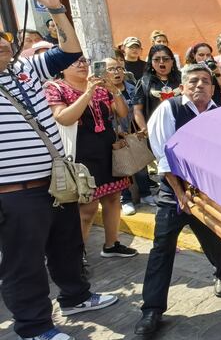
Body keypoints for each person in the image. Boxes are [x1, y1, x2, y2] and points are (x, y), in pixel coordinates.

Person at [0, 0, 118, 340]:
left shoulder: (24, 69)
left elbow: (69, 51)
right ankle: (32, 328)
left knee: (67, 246)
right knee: (25, 262)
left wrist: (55, 7)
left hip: (53, 182)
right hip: (14, 193)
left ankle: (76, 297)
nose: (2, 43)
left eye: (3, 38)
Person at [134, 64, 221, 336]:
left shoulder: (218, 113)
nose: (200, 85)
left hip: (205, 193)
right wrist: (180, 194)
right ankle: (152, 310)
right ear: (182, 86)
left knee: (215, 240)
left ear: (212, 88)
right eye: (193, 81)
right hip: (173, 192)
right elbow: (164, 155)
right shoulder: (169, 109)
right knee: (162, 247)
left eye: (205, 81)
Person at [45, 55, 137, 259]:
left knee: (113, 198)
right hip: (80, 155)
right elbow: (63, 118)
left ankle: (111, 244)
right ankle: (77, 255)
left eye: (84, 61)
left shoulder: (102, 87)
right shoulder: (56, 88)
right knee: (87, 208)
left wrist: (113, 90)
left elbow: (122, 113)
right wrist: (88, 92)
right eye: (75, 61)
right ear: (61, 67)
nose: (82, 65)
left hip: (107, 150)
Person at [106, 56, 154, 215]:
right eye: (111, 69)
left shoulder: (132, 87)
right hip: (115, 136)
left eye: (119, 68)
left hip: (134, 133)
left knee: (141, 165)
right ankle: (125, 199)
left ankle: (146, 194)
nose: (116, 72)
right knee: (123, 167)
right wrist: (116, 131)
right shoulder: (102, 92)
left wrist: (141, 128)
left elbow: (139, 110)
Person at [133, 44, 181, 131]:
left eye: (166, 59)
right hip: (156, 130)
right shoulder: (144, 82)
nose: (161, 62)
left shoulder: (183, 79)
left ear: (172, 61)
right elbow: (137, 110)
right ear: (151, 62)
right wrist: (145, 129)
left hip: (182, 127)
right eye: (156, 59)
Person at [185, 41, 221, 106]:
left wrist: (216, 72)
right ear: (194, 55)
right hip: (196, 104)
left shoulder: (216, 67)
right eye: (201, 55)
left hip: (215, 103)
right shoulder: (189, 69)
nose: (205, 58)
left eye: (208, 55)